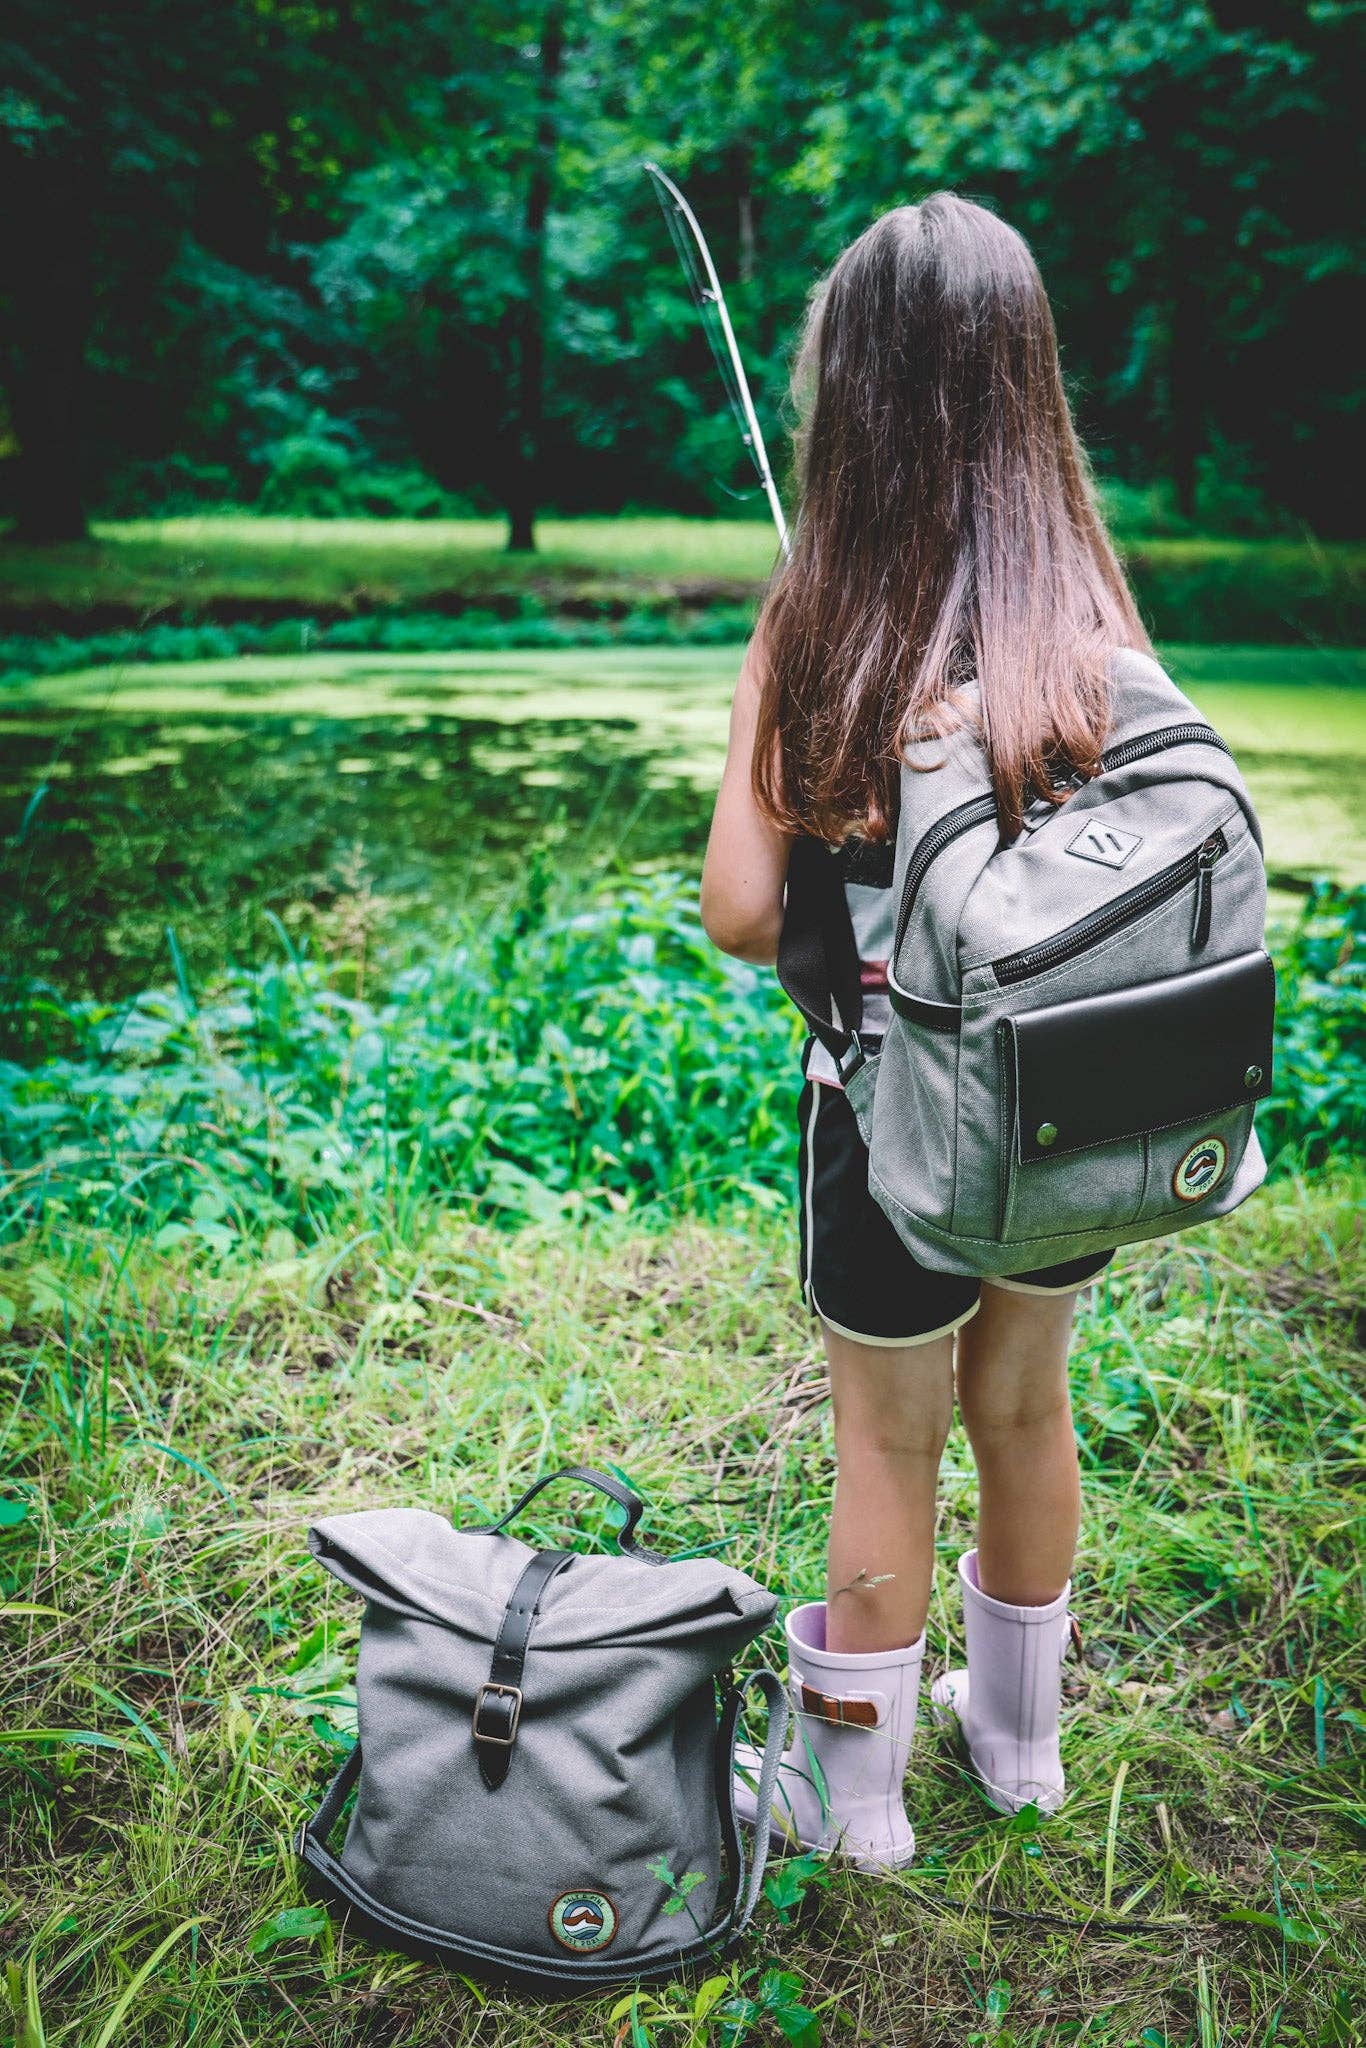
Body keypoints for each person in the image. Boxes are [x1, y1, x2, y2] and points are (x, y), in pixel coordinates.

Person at [700, 193, 1152, 1870]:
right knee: (1025, 1408)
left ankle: (855, 1796)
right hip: (1078, 1110)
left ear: (852, 389)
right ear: (1024, 382)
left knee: (884, 1436)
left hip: (891, 1120)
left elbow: (744, 913)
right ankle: (1019, 1749)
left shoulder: (813, 610)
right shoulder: (1092, 611)